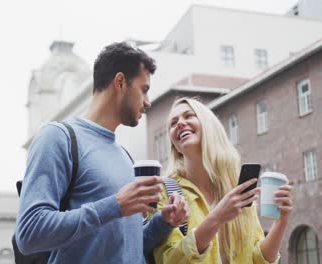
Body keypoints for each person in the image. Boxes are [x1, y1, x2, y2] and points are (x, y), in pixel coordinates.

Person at [15, 42, 189, 264]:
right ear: (120, 82)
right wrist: (114, 205)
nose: (148, 102)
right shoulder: (58, 137)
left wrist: (163, 223)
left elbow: (125, 247)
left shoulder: (124, 156)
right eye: (144, 89)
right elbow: (30, 234)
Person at [153, 97, 293, 264]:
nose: (180, 123)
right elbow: (168, 260)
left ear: (208, 126)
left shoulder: (237, 190)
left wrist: (281, 222)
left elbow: (257, 259)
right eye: (173, 123)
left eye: (189, 116)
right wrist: (217, 217)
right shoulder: (164, 192)